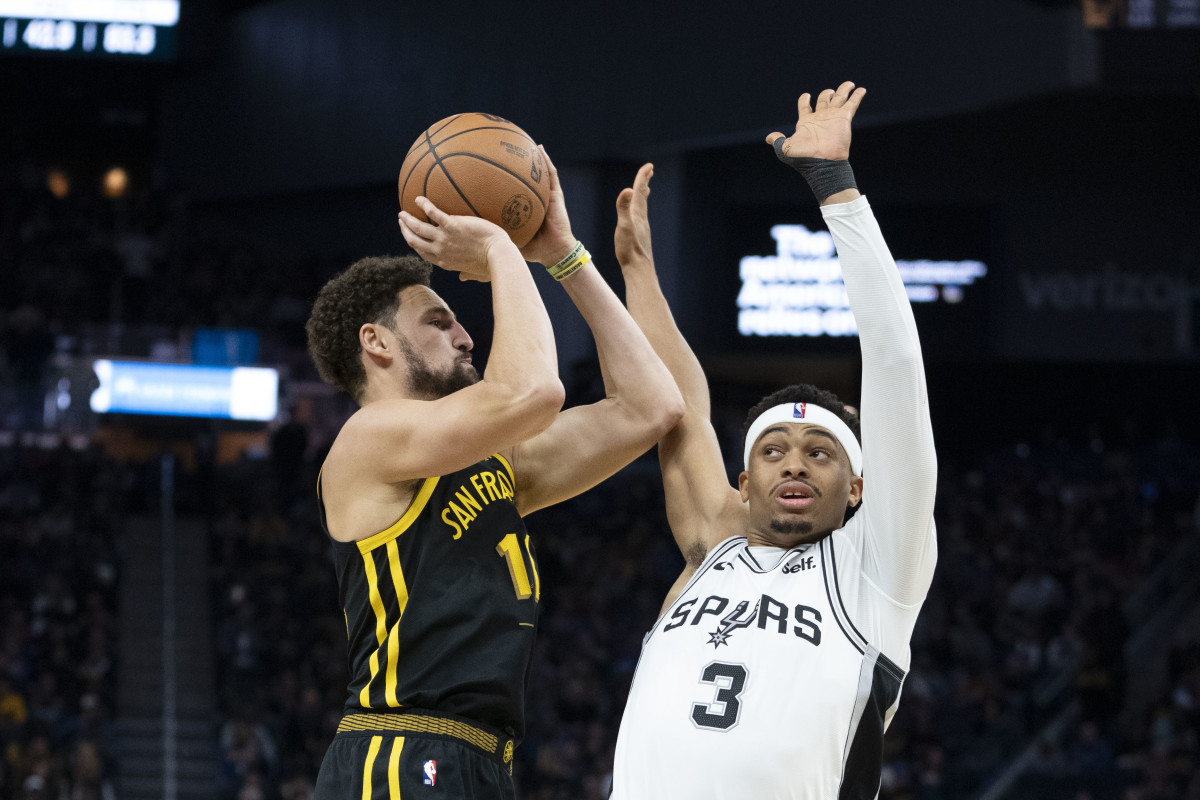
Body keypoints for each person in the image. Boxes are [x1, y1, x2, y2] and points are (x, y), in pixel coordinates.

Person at [304, 147, 683, 799]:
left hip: (481, 759)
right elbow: (535, 392)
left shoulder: (499, 464)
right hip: (400, 749)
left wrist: (563, 253)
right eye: (439, 321)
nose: (466, 337)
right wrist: (504, 251)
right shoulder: (366, 439)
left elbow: (652, 407)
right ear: (377, 343)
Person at [610, 83, 938, 798]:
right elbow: (678, 407)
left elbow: (895, 363)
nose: (794, 461)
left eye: (821, 452)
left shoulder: (875, 569)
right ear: (742, 483)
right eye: (773, 450)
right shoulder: (711, 548)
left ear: (858, 487)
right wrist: (632, 273)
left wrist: (836, 189)